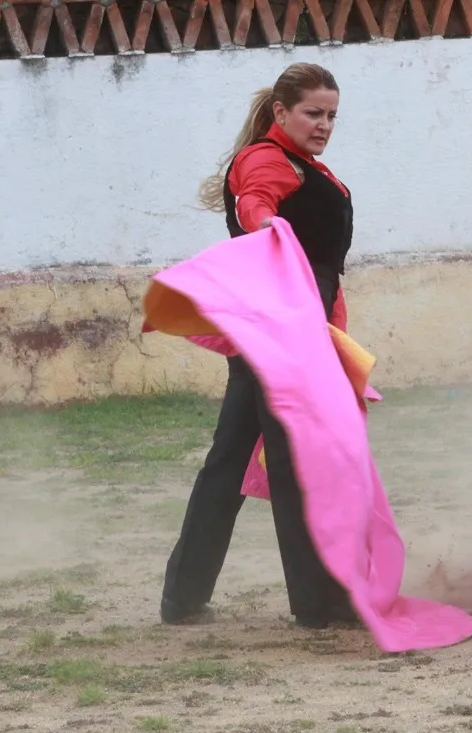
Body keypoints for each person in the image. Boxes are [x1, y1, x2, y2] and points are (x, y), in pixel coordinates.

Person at [160, 62, 358, 630]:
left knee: (228, 464)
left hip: (279, 327)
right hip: (281, 329)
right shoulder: (266, 160)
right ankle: (318, 604)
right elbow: (255, 204)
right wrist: (269, 232)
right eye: (312, 114)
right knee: (298, 462)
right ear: (281, 112)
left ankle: (183, 596)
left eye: (331, 116)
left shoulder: (301, 164)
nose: (323, 125)